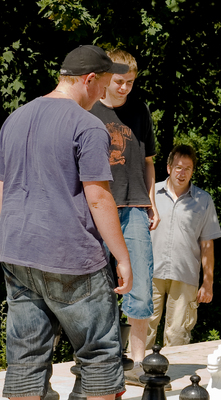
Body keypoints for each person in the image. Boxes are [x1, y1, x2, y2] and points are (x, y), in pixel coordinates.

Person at [0, 45, 133, 400]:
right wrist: (123, 257)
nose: (103, 95)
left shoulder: (16, 117)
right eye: (102, 86)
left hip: (16, 254)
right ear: (88, 80)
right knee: (99, 353)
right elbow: (98, 197)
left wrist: (22, 233)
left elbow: (0, 187)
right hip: (71, 257)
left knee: (26, 358)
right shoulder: (88, 125)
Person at [89, 49, 159, 386]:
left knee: (141, 287)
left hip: (134, 207)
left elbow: (147, 160)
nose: (125, 88)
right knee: (97, 289)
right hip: (96, 209)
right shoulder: (86, 109)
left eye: (130, 82)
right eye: (119, 82)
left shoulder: (140, 109)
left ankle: (138, 363)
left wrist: (152, 201)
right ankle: (99, 361)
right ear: (104, 78)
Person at [146, 144, 221, 349]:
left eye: (187, 168)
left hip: (185, 274)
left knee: (178, 334)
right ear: (169, 168)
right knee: (143, 329)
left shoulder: (203, 200)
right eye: (178, 167)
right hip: (148, 273)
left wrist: (208, 282)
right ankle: (136, 373)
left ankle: (173, 377)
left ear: (193, 171)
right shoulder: (150, 194)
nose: (182, 173)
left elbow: (207, 244)